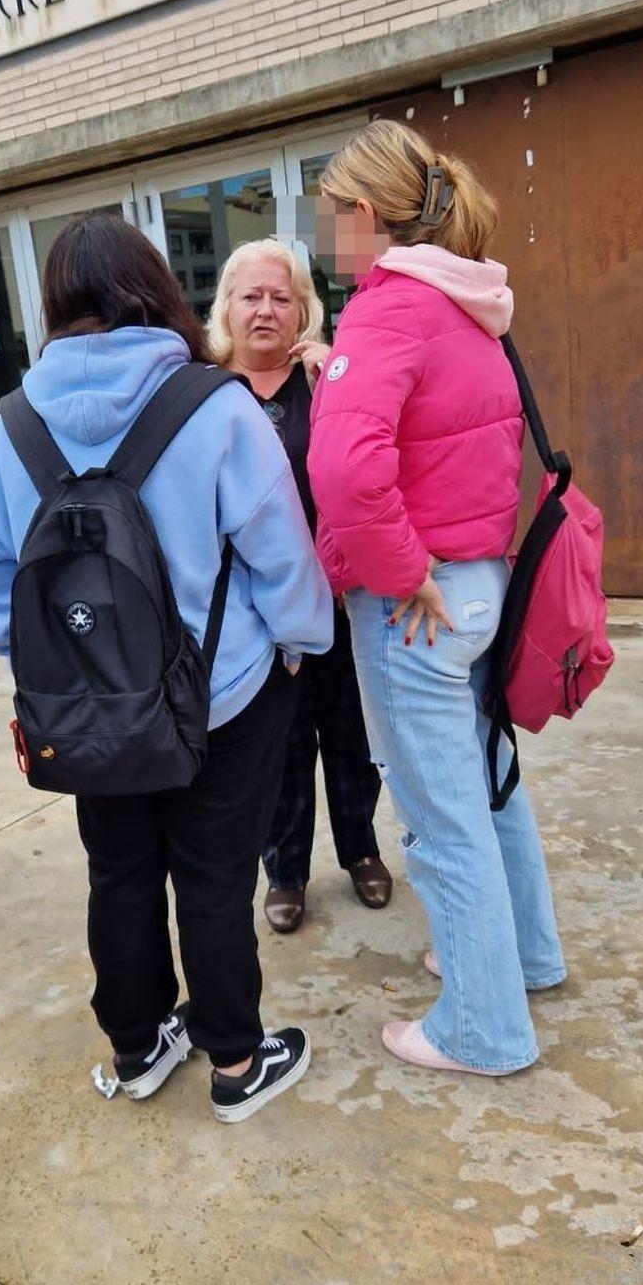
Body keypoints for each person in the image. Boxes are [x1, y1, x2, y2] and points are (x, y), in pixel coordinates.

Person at [0, 212, 334, 1122]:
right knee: (213, 873)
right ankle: (237, 1063)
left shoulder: (14, 425)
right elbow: (279, 549)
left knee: (119, 869)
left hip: (91, 702)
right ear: (156, 290)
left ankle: (137, 1047)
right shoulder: (214, 404)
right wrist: (299, 644)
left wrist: (50, 669)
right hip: (224, 690)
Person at [308, 119, 566, 1075]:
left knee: (439, 815)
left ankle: (482, 1026)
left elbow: (343, 467)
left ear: (364, 214)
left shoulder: (389, 307)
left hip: (418, 603)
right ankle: (523, 958)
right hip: (483, 584)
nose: (326, 235)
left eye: (331, 215)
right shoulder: (469, 303)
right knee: (490, 789)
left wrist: (402, 569)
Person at [207, 241, 389, 934]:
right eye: (251, 296)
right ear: (227, 306)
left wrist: (336, 376)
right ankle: (284, 871)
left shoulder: (324, 381)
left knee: (349, 731)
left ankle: (360, 848)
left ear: (303, 310)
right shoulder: (207, 390)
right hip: (250, 614)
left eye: (281, 297)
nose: (265, 310)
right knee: (276, 744)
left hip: (336, 598)